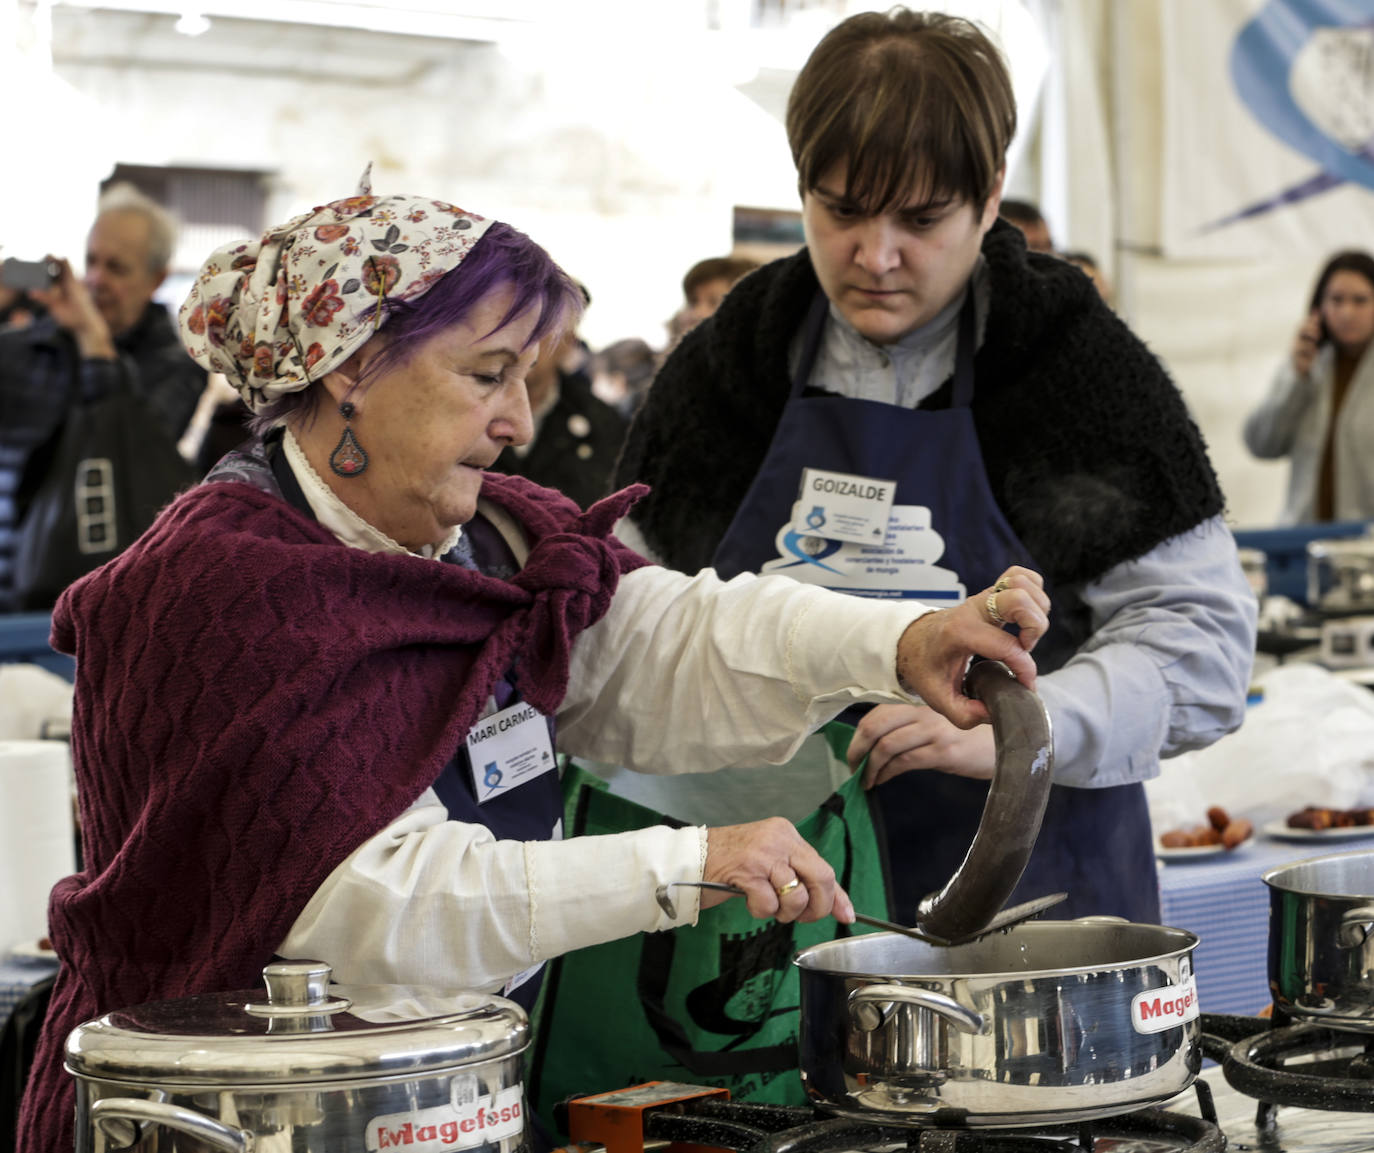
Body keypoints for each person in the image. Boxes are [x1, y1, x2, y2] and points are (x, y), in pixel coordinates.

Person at [16, 175, 1051, 1153]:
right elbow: (373, 913)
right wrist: (688, 863)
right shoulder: (218, 591)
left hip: (428, 1102)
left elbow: (669, 638)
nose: (516, 423)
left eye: (525, 377)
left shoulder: (489, 548)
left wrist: (898, 639)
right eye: (484, 375)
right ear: (351, 365)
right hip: (217, 1121)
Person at [613, 8, 1256, 926]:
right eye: (841, 210)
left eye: (921, 218)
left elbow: (1203, 650)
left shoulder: (1073, 368)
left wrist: (1025, 730)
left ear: (990, 196)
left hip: (1033, 909)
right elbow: (622, 623)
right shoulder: (729, 366)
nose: (875, 256)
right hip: (761, 917)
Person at [0, 183, 205, 609]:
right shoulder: (28, 344)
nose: (96, 279)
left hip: (89, 599)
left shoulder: (177, 365)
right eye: (91, 261)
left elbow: (132, 445)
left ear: (156, 279)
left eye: (117, 268)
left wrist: (92, 337)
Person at [1243, 250, 1374, 525]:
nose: (1346, 312)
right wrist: (1296, 379)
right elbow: (1261, 444)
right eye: (1336, 300)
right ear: (1319, 307)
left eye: (1360, 300)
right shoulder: (1307, 363)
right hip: (1303, 538)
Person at [489, 286, 628, 507]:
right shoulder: (467, 405)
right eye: (514, 325)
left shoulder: (603, 423)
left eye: (540, 330)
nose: (524, 343)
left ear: (569, 342)